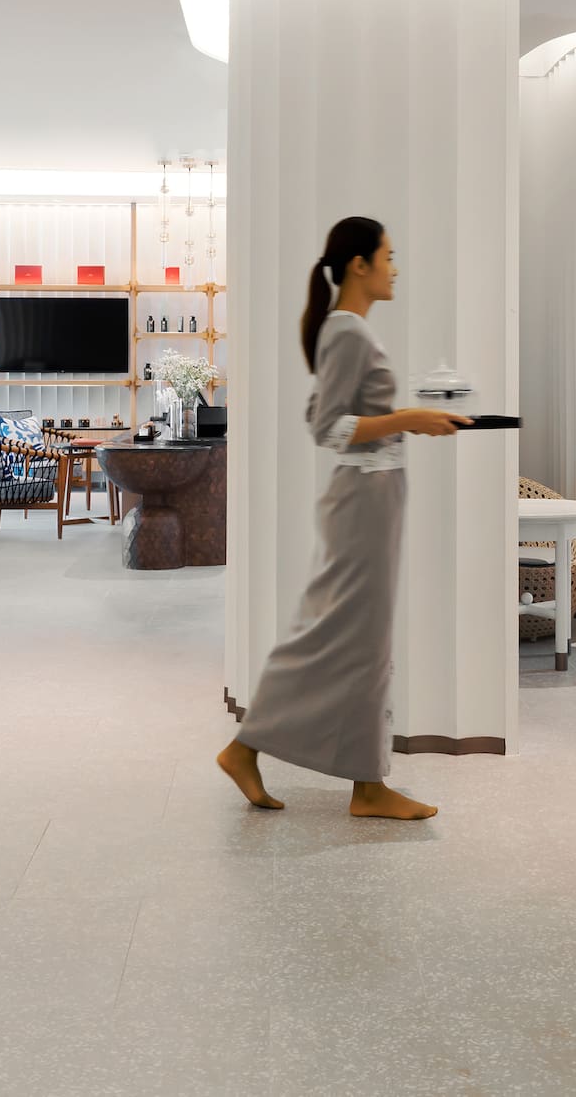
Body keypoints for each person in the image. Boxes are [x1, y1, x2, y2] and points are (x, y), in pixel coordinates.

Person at [216, 217, 468, 820]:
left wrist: (411, 420)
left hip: (372, 496)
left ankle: (352, 780)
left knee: (352, 636)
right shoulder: (348, 333)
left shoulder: (342, 331)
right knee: (346, 635)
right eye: (389, 255)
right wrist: (409, 418)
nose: (396, 268)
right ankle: (343, 778)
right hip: (363, 500)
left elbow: (318, 408)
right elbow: (328, 428)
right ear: (360, 264)